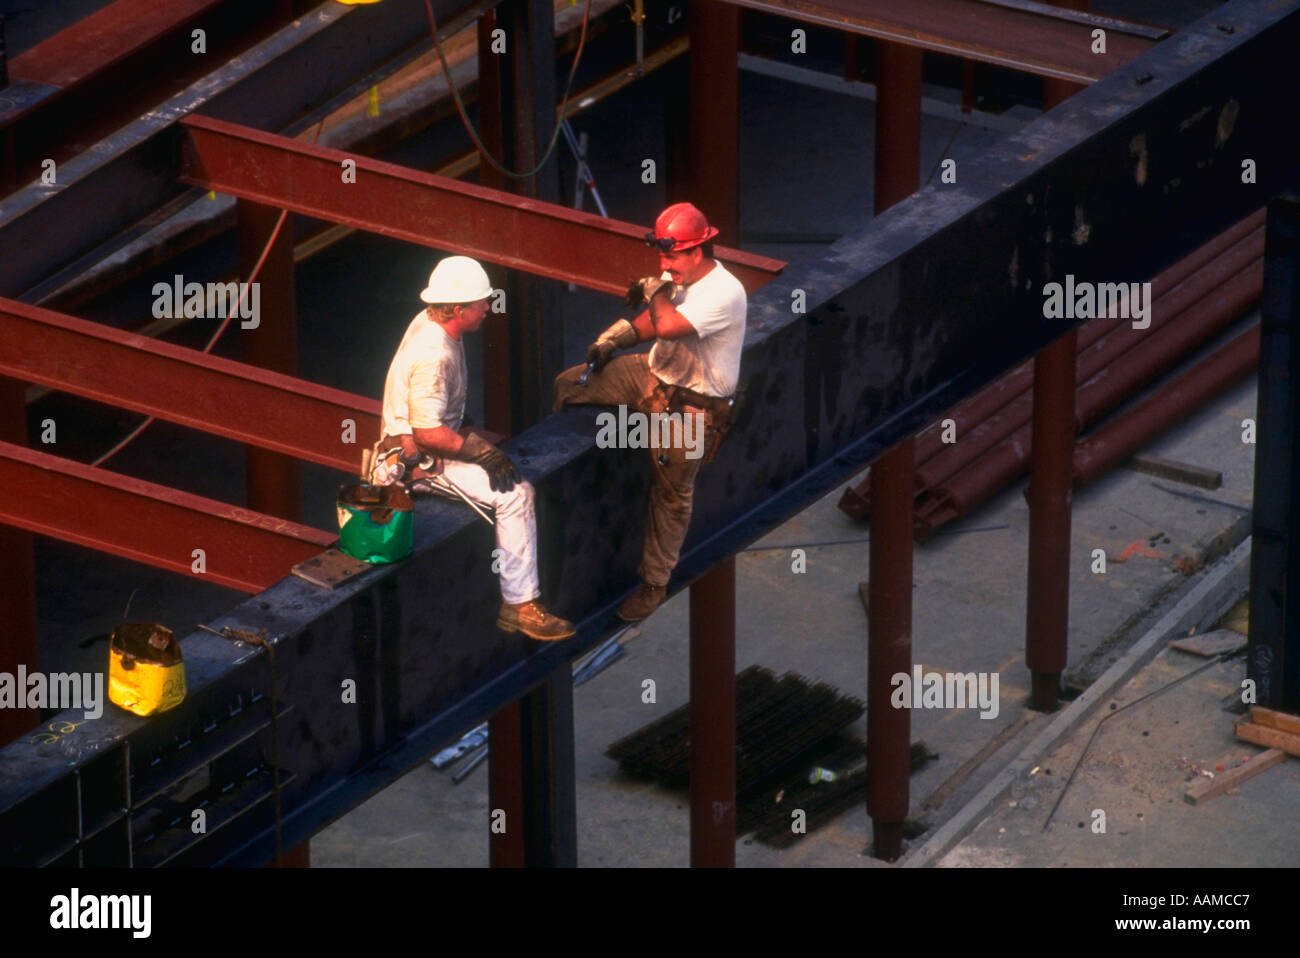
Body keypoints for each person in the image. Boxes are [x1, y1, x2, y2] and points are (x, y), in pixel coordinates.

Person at [553, 203, 746, 621]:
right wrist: (617, 338)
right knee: (570, 386)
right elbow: (652, 321)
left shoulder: (724, 292)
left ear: (698, 252)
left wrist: (656, 290)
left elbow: (670, 325)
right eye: (662, 256)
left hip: (693, 409)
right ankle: (572, 485)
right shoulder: (679, 277)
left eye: (671, 257)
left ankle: (654, 583)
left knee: (671, 495)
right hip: (652, 378)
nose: (664, 265)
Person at [373, 255, 575, 641]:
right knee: (516, 495)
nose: (487, 307)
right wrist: (482, 452)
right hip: (414, 463)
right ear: (456, 309)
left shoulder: (430, 323)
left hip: (415, 448)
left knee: (503, 476)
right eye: (479, 302)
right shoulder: (434, 355)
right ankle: (520, 606)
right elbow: (429, 433)